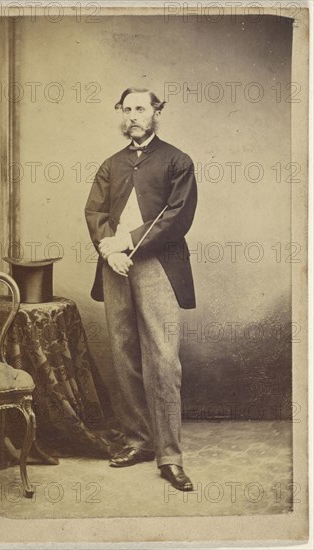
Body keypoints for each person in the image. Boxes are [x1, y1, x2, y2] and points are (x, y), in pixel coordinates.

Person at [85, 87, 197, 491]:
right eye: (126, 109)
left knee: (164, 362)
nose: (132, 115)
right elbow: (94, 211)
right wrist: (107, 249)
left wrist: (126, 241)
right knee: (124, 354)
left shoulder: (177, 161)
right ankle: (139, 441)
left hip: (158, 266)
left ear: (156, 113)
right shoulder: (111, 164)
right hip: (115, 266)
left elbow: (176, 217)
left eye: (140, 109)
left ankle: (170, 456)